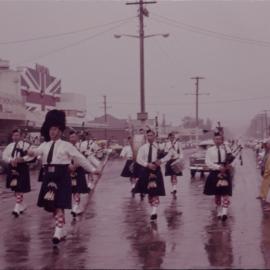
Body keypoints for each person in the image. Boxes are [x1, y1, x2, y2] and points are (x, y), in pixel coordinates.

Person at [27, 110, 99, 245]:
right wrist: (28, 153)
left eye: (54, 129)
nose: (52, 132)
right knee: (53, 206)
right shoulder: (44, 145)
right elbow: (35, 152)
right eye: (50, 129)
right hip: (48, 177)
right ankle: (62, 228)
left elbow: (80, 158)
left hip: (62, 176)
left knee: (59, 205)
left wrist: (93, 170)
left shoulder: (66, 145)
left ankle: (58, 231)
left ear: (60, 131)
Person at [134, 129, 169, 221]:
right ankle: (153, 207)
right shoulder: (143, 148)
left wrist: (160, 161)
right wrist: (147, 164)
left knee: (155, 190)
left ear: (154, 136)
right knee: (149, 192)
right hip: (146, 170)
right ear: (146, 136)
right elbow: (138, 159)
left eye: (151, 135)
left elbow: (169, 155)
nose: (149, 137)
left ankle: (154, 211)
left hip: (156, 170)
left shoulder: (160, 147)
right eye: (148, 135)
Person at [2, 129, 33, 217]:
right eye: (14, 135)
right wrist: (11, 160)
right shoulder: (10, 146)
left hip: (22, 168)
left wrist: (22, 159)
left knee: (19, 188)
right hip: (12, 167)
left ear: (21, 136)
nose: (15, 137)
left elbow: (31, 155)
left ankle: (17, 207)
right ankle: (22, 205)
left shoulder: (26, 145)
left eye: (17, 135)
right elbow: (4, 156)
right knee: (15, 188)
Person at [203, 131, 233, 221]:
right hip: (215, 172)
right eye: (216, 139)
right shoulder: (210, 150)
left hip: (225, 172)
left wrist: (228, 166)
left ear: (222, 140)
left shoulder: (227, 149)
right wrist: (218, 167)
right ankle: (219, 210)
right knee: (217, 194)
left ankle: (224, 212)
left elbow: (231, 159)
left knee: (226, 193)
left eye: (219, 139)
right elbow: (208, 162)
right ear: (213, 140)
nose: (218, 140)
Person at [69, 130, 91, 217]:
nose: (72, 139)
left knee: (78, 190)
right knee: (74, 190)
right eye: (70, 137)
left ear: (77, 138)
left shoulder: (81, 146)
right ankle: (75, 206)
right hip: (70, 170)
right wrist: (70, 166)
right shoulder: (67, 147)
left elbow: (85, 157)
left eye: (73, 137)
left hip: (79, 170)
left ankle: (76, 207)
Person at [257, 139, 270, 210]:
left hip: (268, 174)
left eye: (267, 144)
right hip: (266, 173)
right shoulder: (266, 152)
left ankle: (269, 205)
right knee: (266, 188)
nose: (265, 145)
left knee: (268, 191)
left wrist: (266, 173)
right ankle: (263, 196)